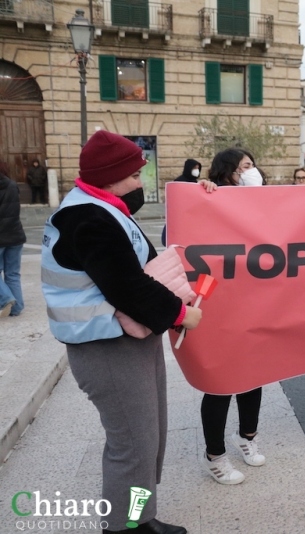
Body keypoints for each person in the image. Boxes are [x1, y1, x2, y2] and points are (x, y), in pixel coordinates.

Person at [40, 131, 202, 534]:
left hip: (126, 339)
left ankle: (141, 518)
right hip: (106, 347)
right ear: (111, 177)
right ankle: (126, 527)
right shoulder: (88, 217)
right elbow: (125, 284)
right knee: (133, 445)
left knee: (147, 440)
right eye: (134, 175)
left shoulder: (101, 207)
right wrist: (180, 312)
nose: (139, 183)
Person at [195, 148, 268, 485]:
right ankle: (215, 455)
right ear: (227, 172)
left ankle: (248, 438)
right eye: (243, 167)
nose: (250, 172)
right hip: (220, 305)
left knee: (253, 376)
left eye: (252, 166)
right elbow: (180, 238)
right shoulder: (208, 199)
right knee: (221, 383)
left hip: (255, 304)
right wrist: (204, 196)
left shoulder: (265, 202)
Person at [0, 158, 25, 317]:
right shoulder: (12, 184)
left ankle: (6, 298)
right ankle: (16, 308)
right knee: (13, 274)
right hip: (15, 235)